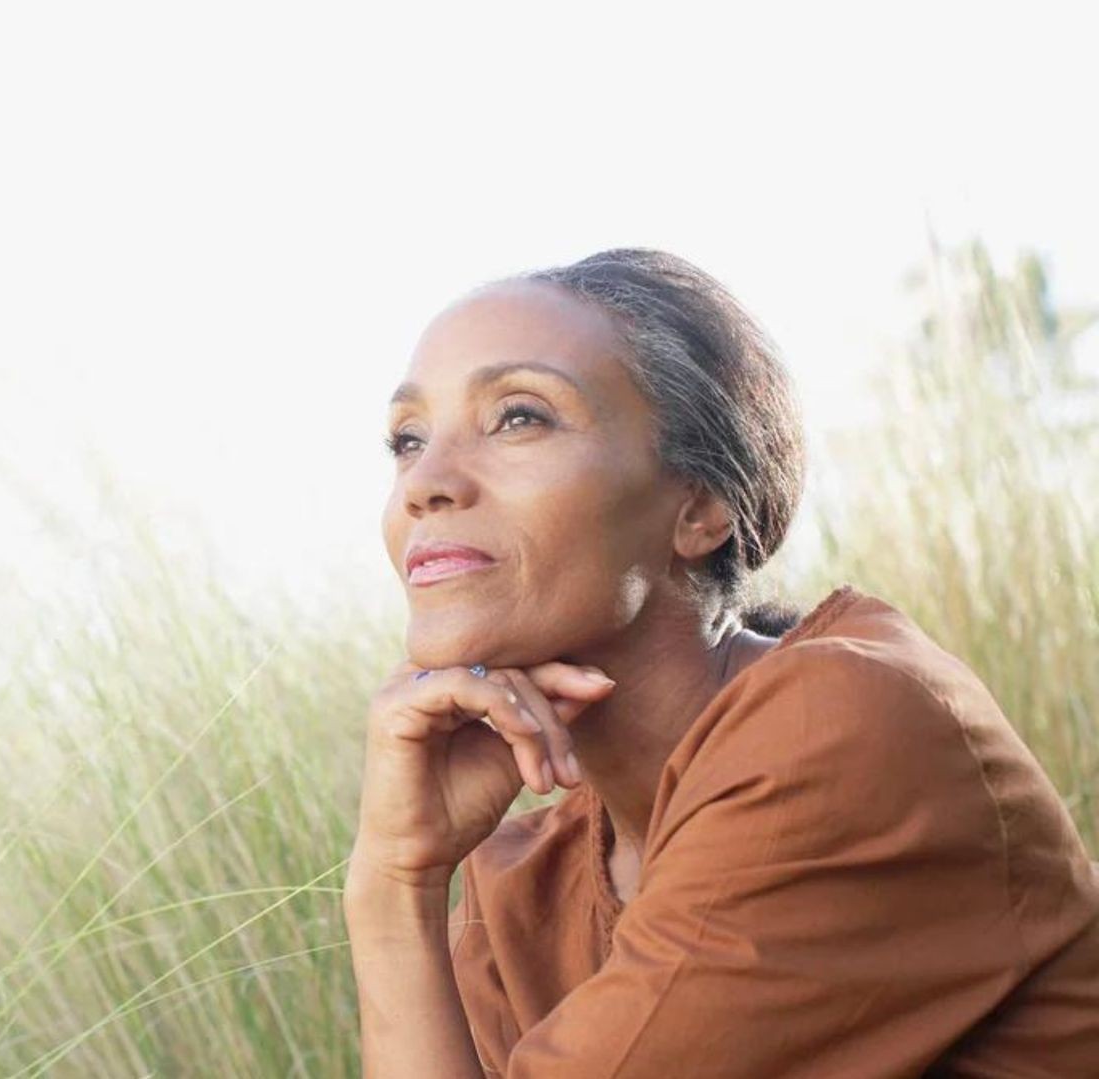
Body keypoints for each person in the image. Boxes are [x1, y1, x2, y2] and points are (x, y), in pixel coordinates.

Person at [344, 247, 1099, 1077]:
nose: (427, 483)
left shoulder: (842, 725)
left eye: (519, 416)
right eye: (407, 439)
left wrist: (392, 898)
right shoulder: (522, 880)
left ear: (700, 505)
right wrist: (394, 887)